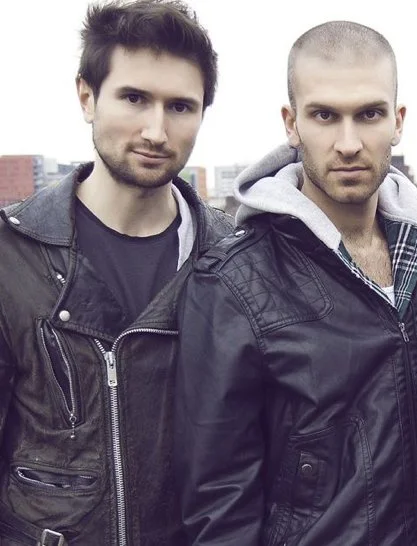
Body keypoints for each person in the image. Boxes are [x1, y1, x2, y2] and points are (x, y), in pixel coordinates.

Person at [174, 20, 417, 545]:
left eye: (370, 114)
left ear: (398, 121)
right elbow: (218, 503)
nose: (349, 142)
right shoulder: (232, 282)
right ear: (291, 123)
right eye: (325, 116)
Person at [0, 1, 231, 544]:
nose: (156, 129)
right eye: (134, 98)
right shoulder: (13, 254)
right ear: (87, 96)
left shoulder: (231, 258)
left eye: (180, 106)